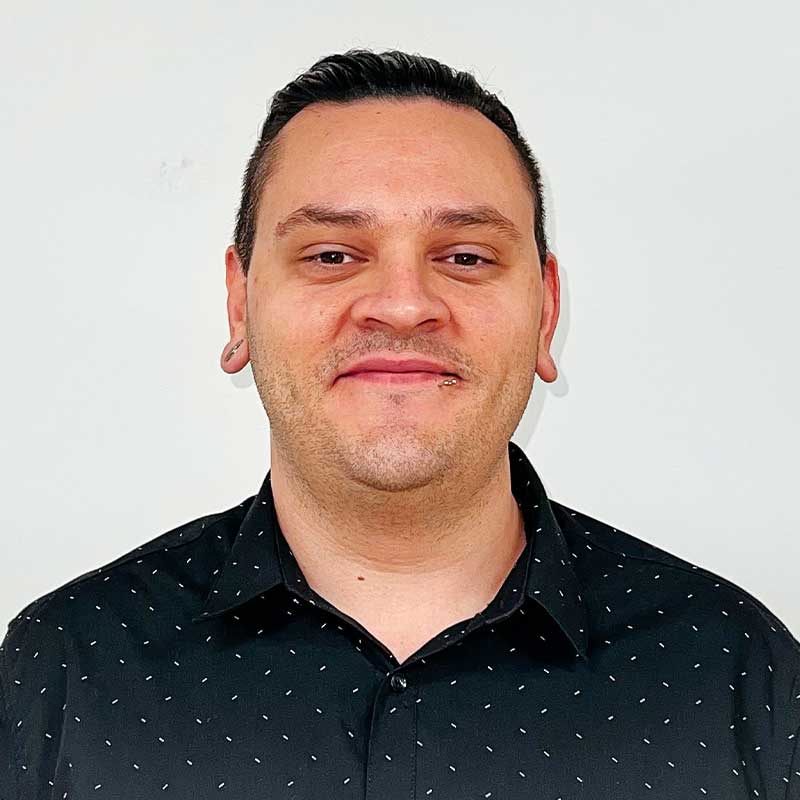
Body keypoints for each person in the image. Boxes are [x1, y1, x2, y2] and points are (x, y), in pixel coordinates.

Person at [1, 48, 798, 799]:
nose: (404, 305)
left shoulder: (740, 674)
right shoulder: (62, 673)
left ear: (546, 311)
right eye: (331, 255)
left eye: (465, 257)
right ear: (240, 305)